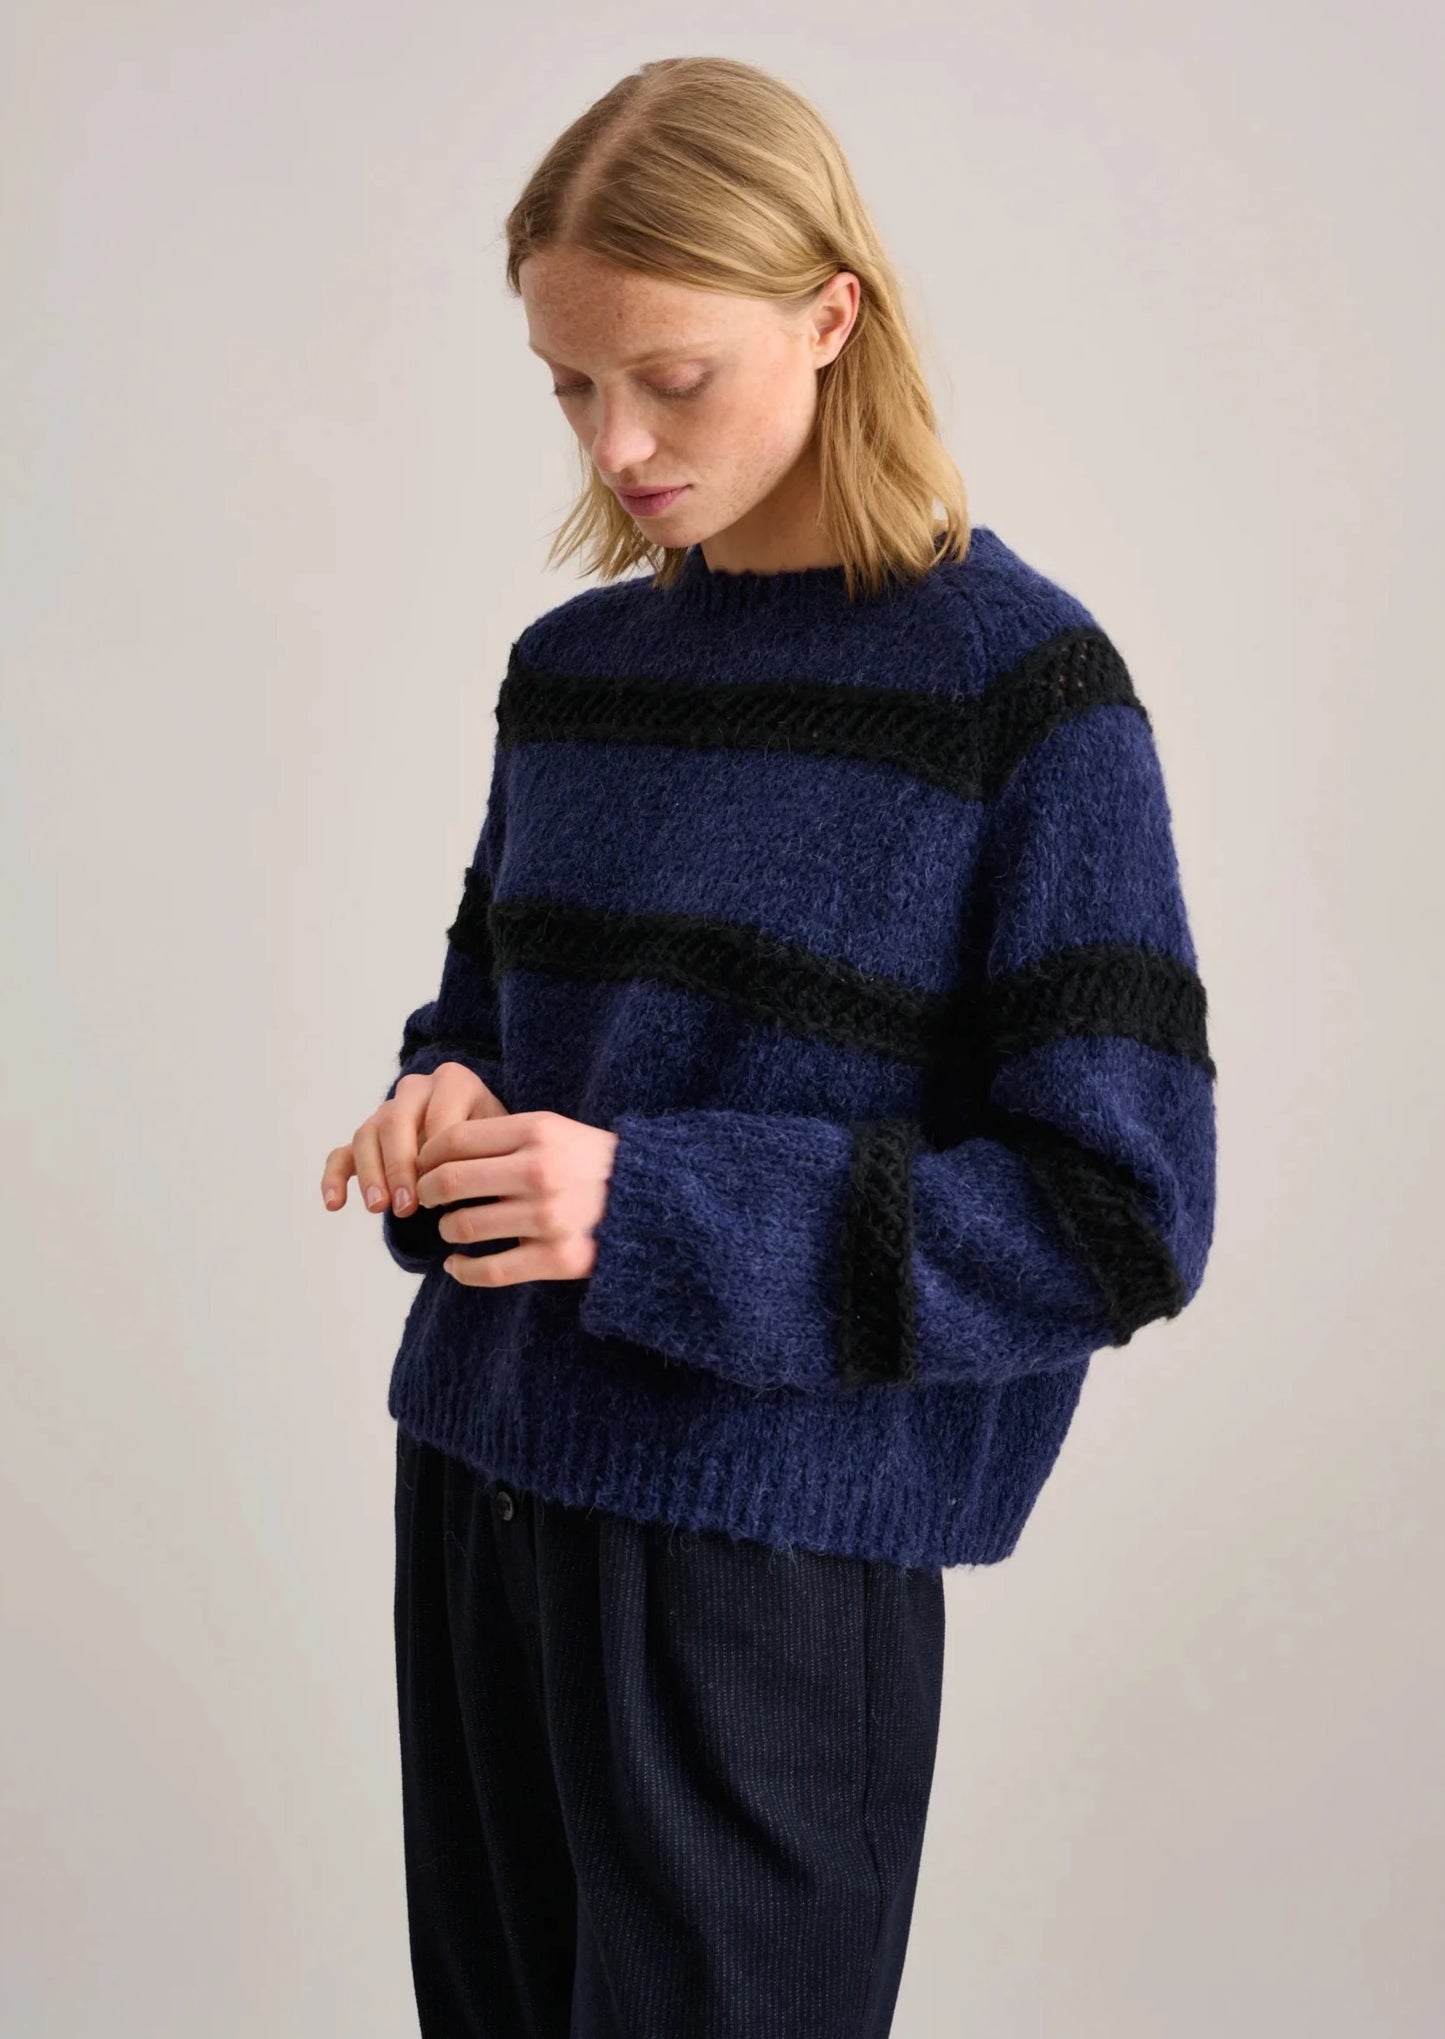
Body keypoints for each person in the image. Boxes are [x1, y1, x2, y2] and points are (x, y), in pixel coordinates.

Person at [319, 54, 1217, 2039]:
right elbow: (493, 1025)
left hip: (763, 1567)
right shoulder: (575, 672)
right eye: (569, 384)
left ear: (829, 314)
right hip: (476, 1490)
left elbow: (1118, 1214)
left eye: (671, 377)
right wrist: (439, 1108)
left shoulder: (1021, 696)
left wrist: (645, 1207)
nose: (618, 443)